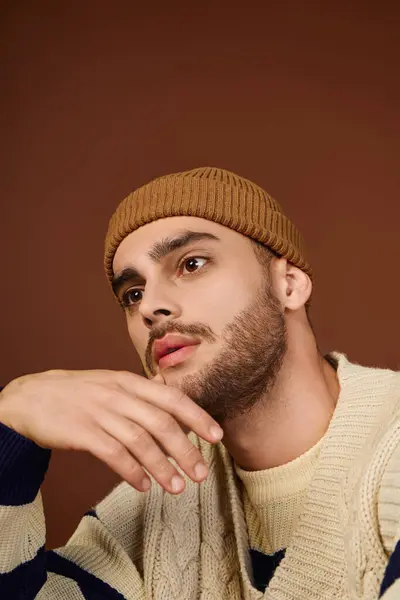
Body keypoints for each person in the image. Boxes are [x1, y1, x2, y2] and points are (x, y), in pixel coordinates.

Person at [0, 167, 399, 600]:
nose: (151, 307)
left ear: (289, 284)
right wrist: (9, 431)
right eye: (132, 294)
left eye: (191, 264)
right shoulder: (156, 505)